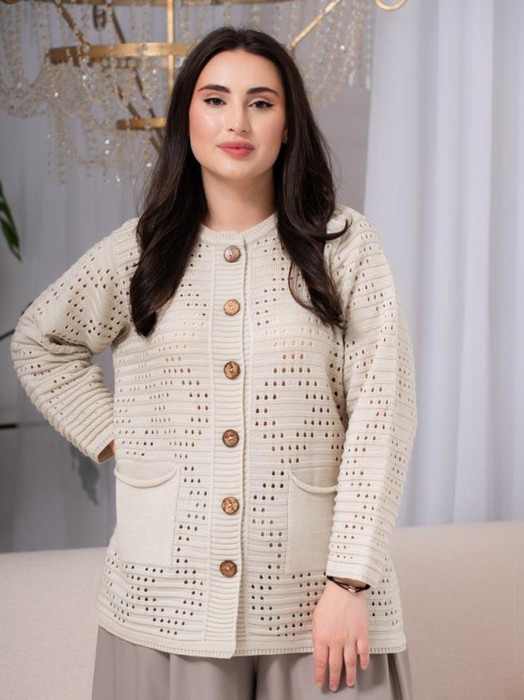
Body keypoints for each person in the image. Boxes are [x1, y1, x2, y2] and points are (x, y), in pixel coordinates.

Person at [10, 25, 418, 699]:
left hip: (317, 608)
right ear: (186, 118)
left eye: (261, 102)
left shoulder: (344, 247)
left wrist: (349, 582)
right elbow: (39, 341)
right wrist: (120, 437)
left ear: (289, 124)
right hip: (164, 604)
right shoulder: (139, 252)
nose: (237, 122)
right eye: (215, 99)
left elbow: (382, 416)